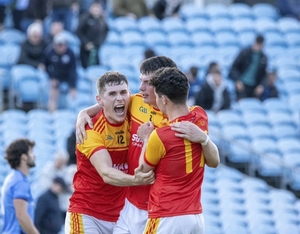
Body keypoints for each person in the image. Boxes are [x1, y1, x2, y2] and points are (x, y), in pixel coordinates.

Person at [76, 56, 220, 234]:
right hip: (130, 205)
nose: (140, 88)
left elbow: (212, 161)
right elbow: (111, 100)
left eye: (147, 82)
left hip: (158, 210)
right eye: (140, 81)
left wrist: (205, 139)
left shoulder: (188, 120)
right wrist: (84, 112)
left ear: (161, 87)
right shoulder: (136, 103)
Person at [65, 71, 155, 234]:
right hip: (88, 214)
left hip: (122, 216)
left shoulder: (134, 112)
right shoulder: (90, 129)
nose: (119, 98)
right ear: (99, 100)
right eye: (112, 94)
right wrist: (136, 180)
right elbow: (106, 173)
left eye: (123, 92)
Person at [138, 67, 218, 233]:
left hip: (167, 216)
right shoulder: (200, 116)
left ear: (165, 99)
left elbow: (142, 172)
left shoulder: (160, 136)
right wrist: (204, 138)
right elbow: (214, 161)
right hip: (195, 218)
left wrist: (145, 138)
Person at [0, 138, 40, 234]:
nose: (34, 156)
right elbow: (21, 216)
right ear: (24, 157)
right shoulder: (20, 182)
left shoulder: (12, 178)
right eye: (31, 152)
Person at [43, 31, 77, 112]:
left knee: (74, 95)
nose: (62, 47)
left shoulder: (70, 53)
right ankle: (53, 114)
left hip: (67, 76)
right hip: (55, 77)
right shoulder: (49, 53)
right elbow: (45, 67)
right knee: (53, 93)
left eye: (64, 44)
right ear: (55, 45)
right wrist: (51, 78)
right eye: (60, 45)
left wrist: (73, 86)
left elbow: (73, 70)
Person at [229, 35, 268, 101]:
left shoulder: (263, 58)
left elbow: (263, 74)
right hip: (242, 84)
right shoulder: (244, 53)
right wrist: (237, 80)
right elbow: (234, 68)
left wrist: (261, 85)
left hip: (254, 86)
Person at [76, 0, 109, 68]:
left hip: (97, 48)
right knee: (85, 66)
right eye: (94, 7)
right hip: (85, 49)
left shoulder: (102, 20)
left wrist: (100, 42)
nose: (96, 9)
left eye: (98, 8)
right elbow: (78, 31)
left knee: (96, 67)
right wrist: (86, 43)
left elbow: (106, 31)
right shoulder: (85, 18)